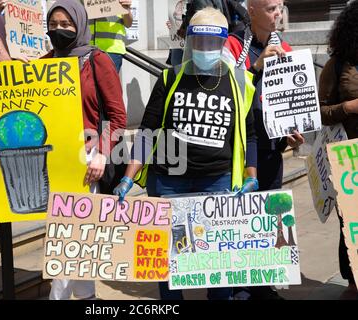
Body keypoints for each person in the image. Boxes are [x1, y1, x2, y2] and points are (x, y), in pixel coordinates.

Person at [114, 7, 259, 300]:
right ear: (190, 41)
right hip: (168, 183)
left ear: (222, 43)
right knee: (168, 266)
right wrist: (127, 178)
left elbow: (250, 135)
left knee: (217, 268)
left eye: (212, 43)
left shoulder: (239, 82)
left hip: (216, 184)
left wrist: (251, 175)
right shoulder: (170, 79)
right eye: (199, 42)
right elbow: (147, 131)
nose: (205, 49)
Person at [44, 0, 127, 300]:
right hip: (56, 158)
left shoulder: (97, 59)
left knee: (68, 233)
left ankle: (60, 297)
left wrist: (103, 153)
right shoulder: (48, 61)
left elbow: (118, 116)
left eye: (66, 24)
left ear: (79, 25)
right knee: (73, 231)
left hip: (88, 159)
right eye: (53, 25)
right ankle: (87, 294)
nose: (59, 30)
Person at [223, 0, 305, 300]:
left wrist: (292, 133)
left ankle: (265, 283)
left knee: (271, 213)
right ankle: (240, 286)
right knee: (242, 217)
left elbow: (290, 101)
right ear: (252, 11)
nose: (278, 14)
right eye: (271, 8)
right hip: (240, 144)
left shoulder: (285, 47)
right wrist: (255, 67)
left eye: (280, 7)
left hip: (271, 144)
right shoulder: (233, 44)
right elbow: (224, 88)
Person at [318, 0, 358, 297]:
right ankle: (353, 281)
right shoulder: (338, 64)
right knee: (352, 224)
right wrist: (347, 107)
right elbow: (318, 112)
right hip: (349, 158)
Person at [89, 0, 133, 72]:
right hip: (87, 49)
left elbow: (128, 24)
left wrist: (127, 10)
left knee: (108, 82)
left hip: (111, 51)